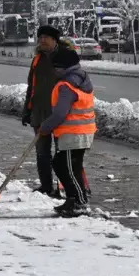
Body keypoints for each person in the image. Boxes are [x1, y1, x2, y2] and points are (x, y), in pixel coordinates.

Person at [38, 46, 96, 218]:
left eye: (56, 67)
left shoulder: (67, 86)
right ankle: (73, 198)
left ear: (63, 67)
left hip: (74, 133)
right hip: (78, 132)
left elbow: (60, 113)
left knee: (70, 168)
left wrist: (46, 126)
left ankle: (80, 202)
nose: (54, 71)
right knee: (61, 164)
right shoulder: (79, 79)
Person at [21, 25, 63, 198]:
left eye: (47, 37)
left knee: (62, 153)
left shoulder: (63, 58)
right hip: (39, 111)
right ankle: (46, 185)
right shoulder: (37, 59)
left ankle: (63, 187)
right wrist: (26, 109)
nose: (43, 40)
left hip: (60, 113)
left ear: (55, 40)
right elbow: (32, 87)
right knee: (42, 152)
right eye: (41, 37)